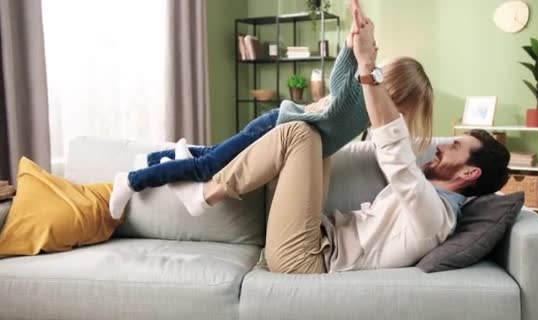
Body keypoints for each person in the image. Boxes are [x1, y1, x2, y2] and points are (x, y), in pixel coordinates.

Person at [126, 4, 510, 274]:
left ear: (468, 174)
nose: (442, 145)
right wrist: (355, 48)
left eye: (454, 148)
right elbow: (385, 141)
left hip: (306, 259)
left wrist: (368, 67)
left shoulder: (436, 215)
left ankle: (206, 194)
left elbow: (396, 158)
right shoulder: (428, 194)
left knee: (297, 132)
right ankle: (203, 176)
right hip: (313, 235)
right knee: (315, 135)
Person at [109, 5, 434, 219]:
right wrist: (351, 46)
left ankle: (157, 158)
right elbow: (339, 78)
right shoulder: (360, 97)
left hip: (280, 128)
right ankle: (132, 180)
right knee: (207, 167)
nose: (398, 117)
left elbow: (390, 145)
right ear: (394, 92)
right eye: (403, 108)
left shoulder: (371, 117)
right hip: (274, 127)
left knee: (212, 154)